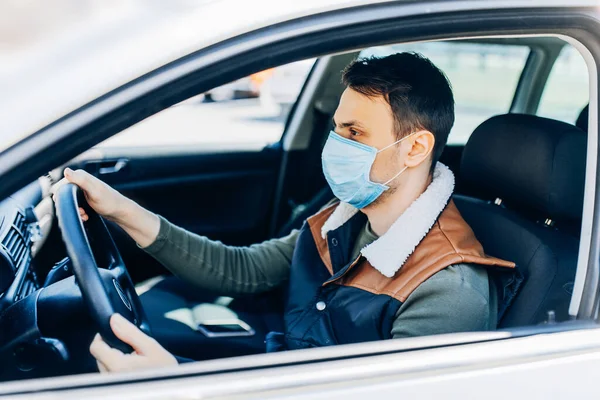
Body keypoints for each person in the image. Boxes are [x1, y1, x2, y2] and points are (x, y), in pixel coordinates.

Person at [58, 52, 518, 373]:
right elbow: (239, 270)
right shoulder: (349, 214)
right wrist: (120, 210)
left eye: (354, 133)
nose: (335, 146)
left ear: (416, 147)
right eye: (336, 128)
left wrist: (178, 383)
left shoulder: (449, 290)